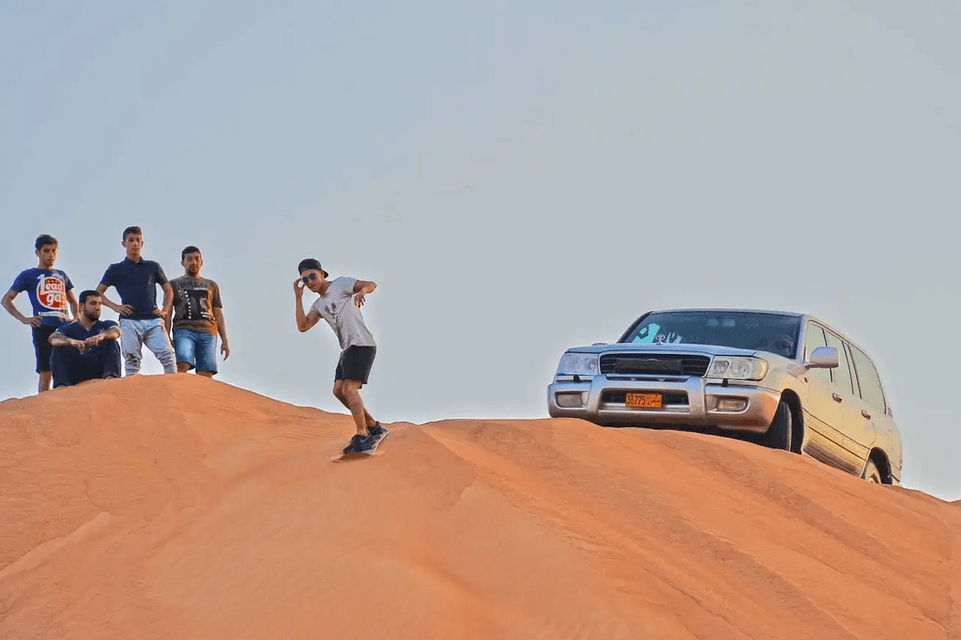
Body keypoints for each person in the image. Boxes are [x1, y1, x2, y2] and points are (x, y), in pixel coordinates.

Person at [294, 258, 387, 454]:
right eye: (305, 280)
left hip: (362, 344)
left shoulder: (341, 284)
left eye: (312, 276)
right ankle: (373, 426)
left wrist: (362, 290)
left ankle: (363, 435)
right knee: (338, 391)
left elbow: (371, 284)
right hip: (347, 349)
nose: (310, 282)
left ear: (322, 273)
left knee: (349, 389)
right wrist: (298, 298)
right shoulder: (318, 305)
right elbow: (303, 326)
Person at [2, 234, 79, 392]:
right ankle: (43, 407)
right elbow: (6, 300)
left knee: (68, 366)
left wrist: (76, 318)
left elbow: (72, 300)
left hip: (64, 327)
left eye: (53, 251)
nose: (50, 255)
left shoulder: (62, 275)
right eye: (46, 251)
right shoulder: (28, 275)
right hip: (43, 326)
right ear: (38, 252)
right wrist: (24, 319)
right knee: (46, 371)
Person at [96, 226, 176, 376]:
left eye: (138, 240)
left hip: (153, 319)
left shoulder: (152, 267)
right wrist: (115, 307)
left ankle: (174, 394)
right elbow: (98, 292)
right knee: (132, 361)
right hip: (129, 320)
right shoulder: (116, 269)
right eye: (131, 240)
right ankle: (131, 396)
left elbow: (168, 289)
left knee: (168, 356)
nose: (134, 244)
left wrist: (165, 309)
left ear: (142, 243)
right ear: (124, 243)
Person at [165, 245, 230, 377]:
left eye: (196, 259)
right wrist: (166, 335)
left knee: (206, 371)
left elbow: (218, 313)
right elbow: (168, 311)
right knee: (182, 363)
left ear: (201, 262)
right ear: (183, 263)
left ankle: (202, 397)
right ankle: (178, 394)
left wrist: (225, 340)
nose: (193, 262)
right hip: (183, 329)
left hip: (208, 331)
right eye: (189, 259)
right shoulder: (174, 284)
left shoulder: (211, 285)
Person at [48, 290, 122, 387]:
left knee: (111, 342)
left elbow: (116, 331)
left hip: (99, 371)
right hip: (76, 372)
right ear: (81, 306)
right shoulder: (69, 328)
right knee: (59, 346)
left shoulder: (105, 325)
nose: (97, 307)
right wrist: (72, 342)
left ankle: (111, 380)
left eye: (100, 304)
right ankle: (61, 387)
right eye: (93, 303)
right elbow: (53, 339)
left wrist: (101, 336)